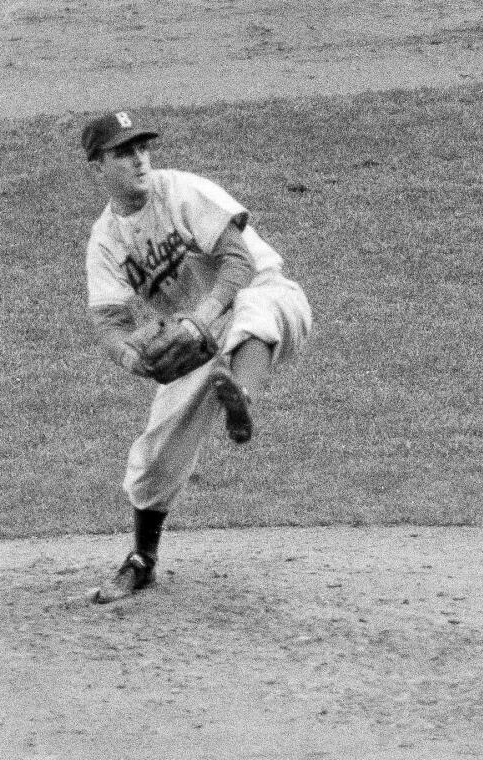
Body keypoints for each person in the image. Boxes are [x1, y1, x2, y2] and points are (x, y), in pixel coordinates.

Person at [80, 110, 313, 602]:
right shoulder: (106, 238)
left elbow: (238, 259)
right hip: (199, 346)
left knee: (252, 309)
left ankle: (240, 397)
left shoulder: (182, 190)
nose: (141, 160)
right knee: (153, 457)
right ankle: (142, 561)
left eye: (144, 148)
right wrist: (133, 359)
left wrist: (199, 318)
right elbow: (107, 320)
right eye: (125, 152)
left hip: (271, 296)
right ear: (98, 165)